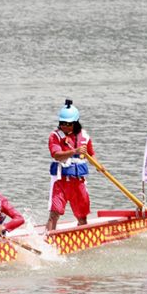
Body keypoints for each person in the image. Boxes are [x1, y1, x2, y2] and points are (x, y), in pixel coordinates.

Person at [46, 99, 96, 231]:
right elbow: (56, 155)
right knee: (54, 214)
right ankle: (48, 241)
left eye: (68, 124)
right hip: (60, 181)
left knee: (82, 216)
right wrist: (74, 151)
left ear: (75, 123)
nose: (65, 126)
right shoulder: (55, 136)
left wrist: (99, 166)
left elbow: (91, 155)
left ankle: (83, 239)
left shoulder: (84, 136)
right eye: (62, 123)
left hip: (78, 181)